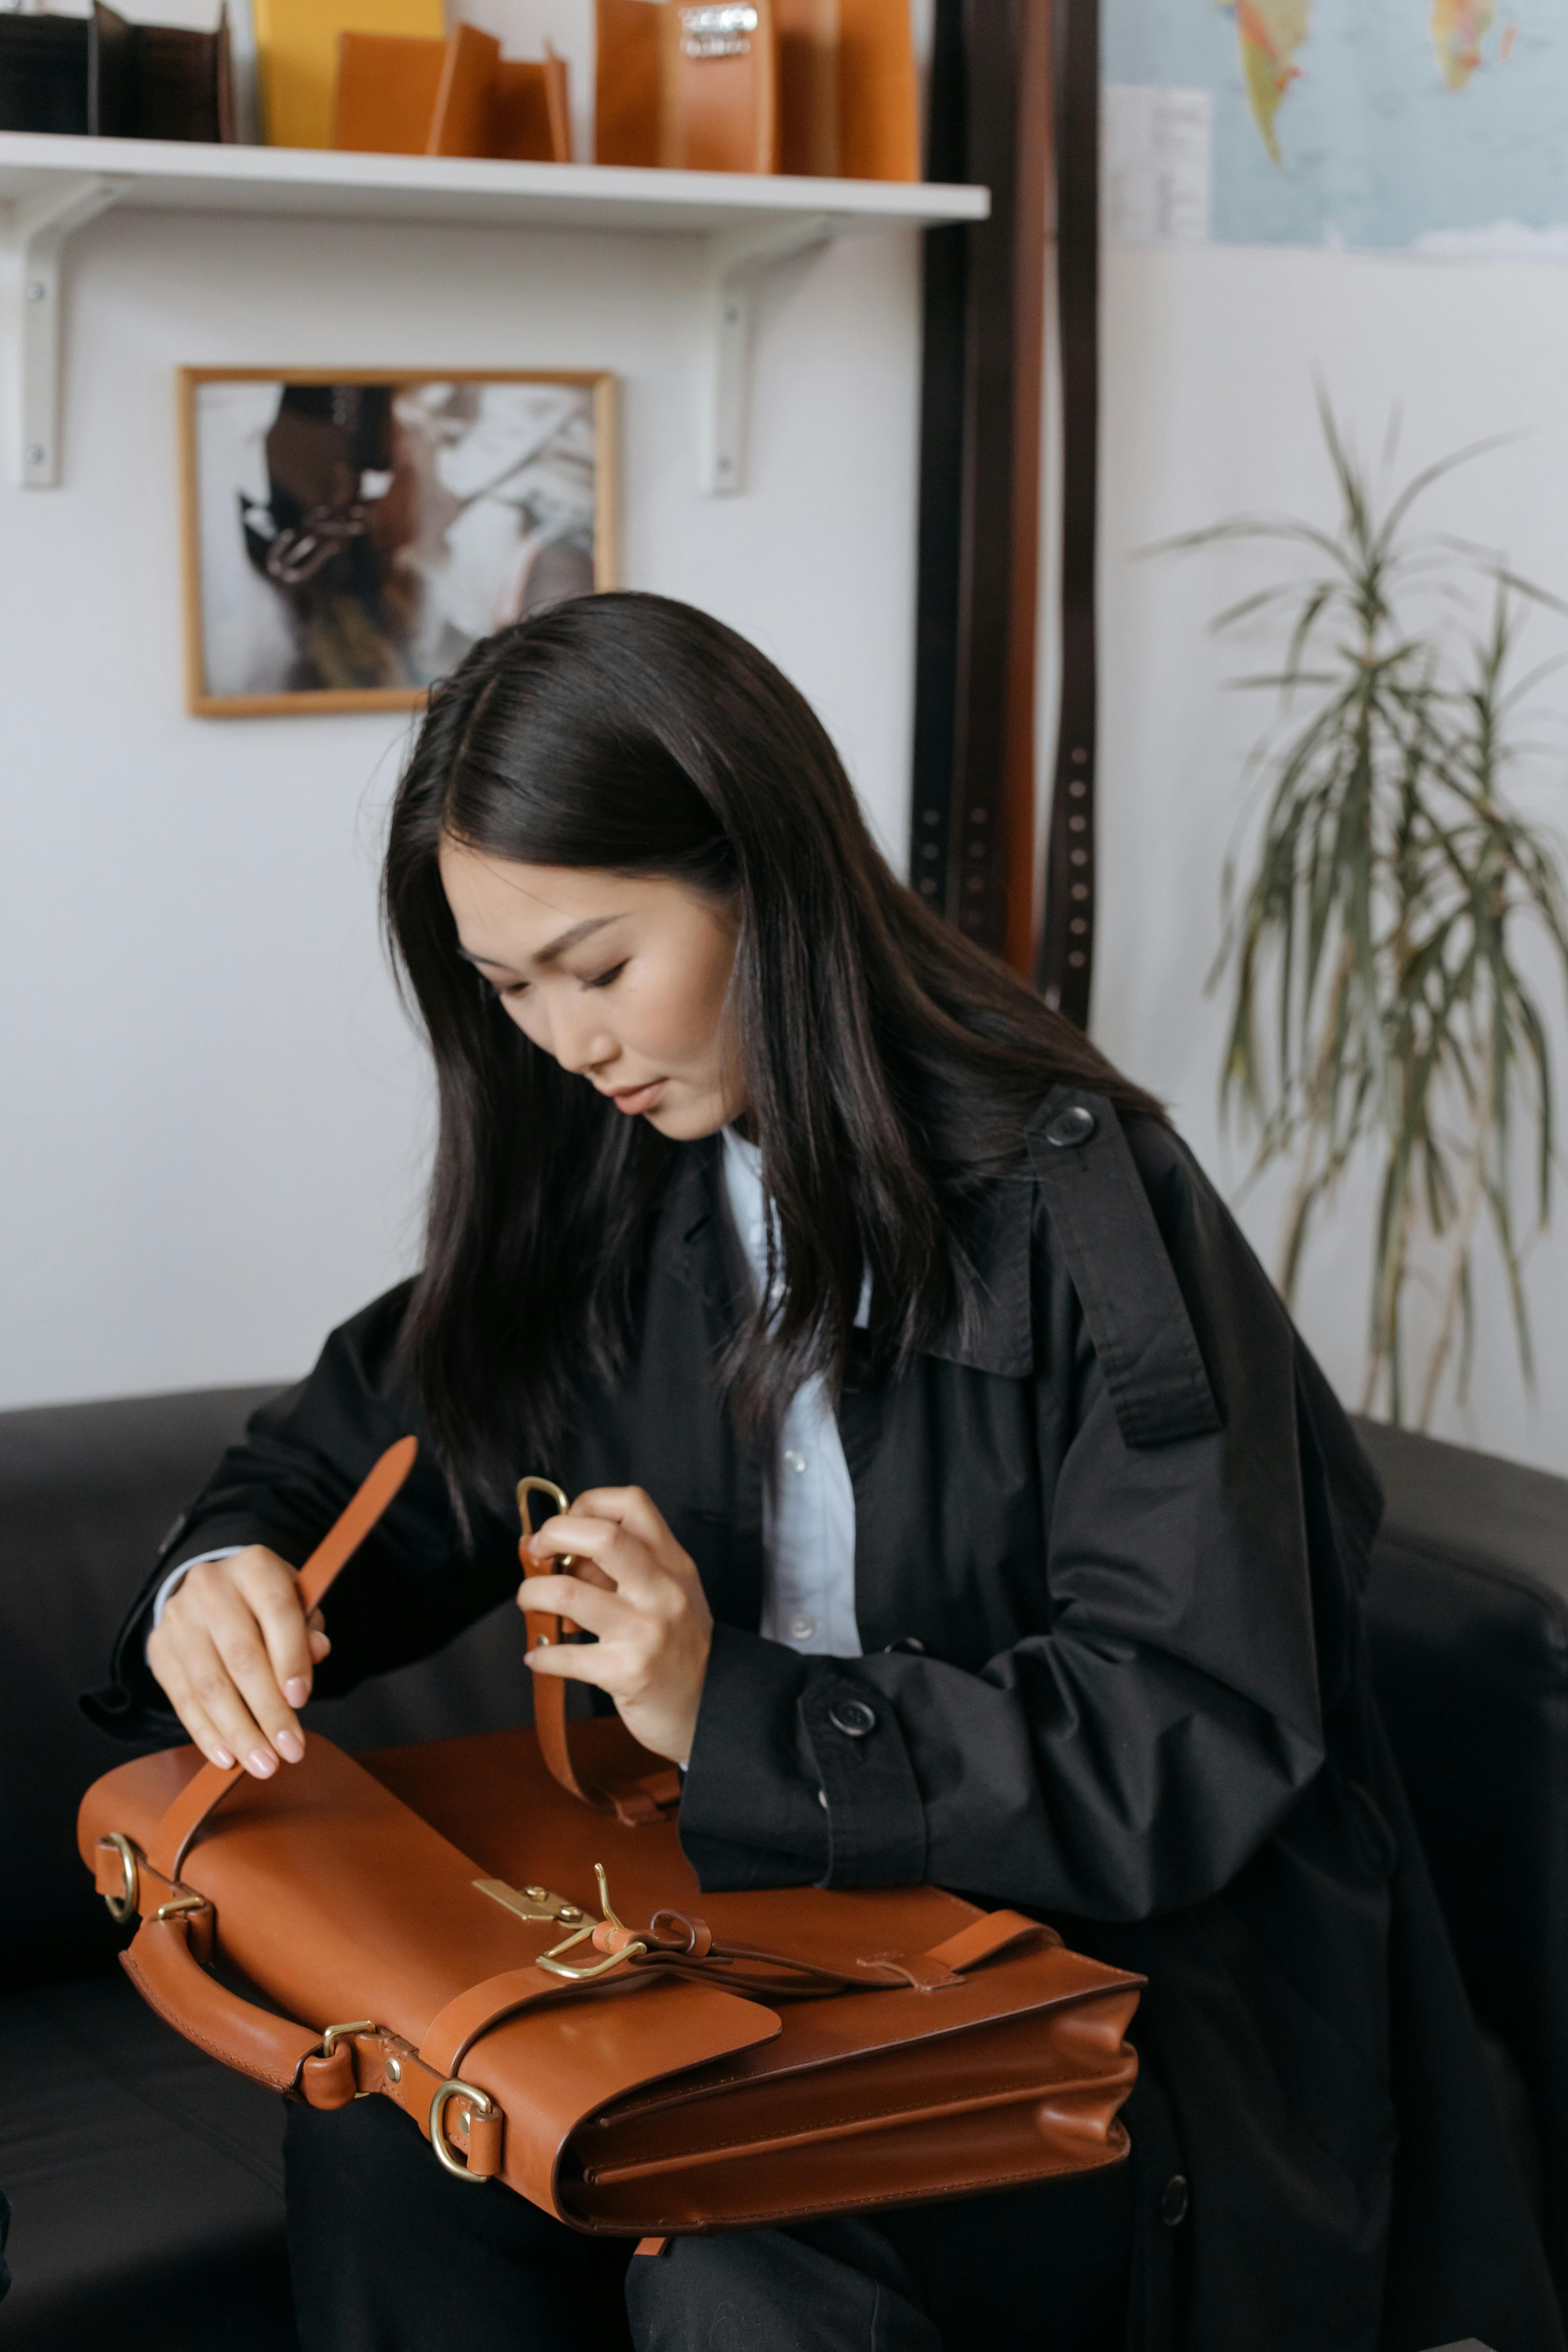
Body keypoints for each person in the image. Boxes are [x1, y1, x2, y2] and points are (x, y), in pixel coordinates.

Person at [88, 594, 1561, 2352]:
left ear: (761, 883)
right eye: (505, 987)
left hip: (1109, 2022)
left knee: (747, 2275)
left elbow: (1189, 1729)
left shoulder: (1089, 1211)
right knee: (392, 2141)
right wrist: (226, 1578)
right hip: (752, 1963)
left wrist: (738, 1708)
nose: (562, 1040)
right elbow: (363, 1442)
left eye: (599, 965)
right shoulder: (612, 1186)